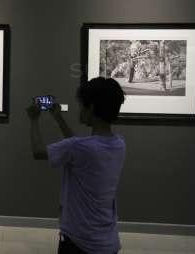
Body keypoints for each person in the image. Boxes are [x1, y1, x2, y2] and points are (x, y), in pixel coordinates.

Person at [27, 77, 126, 254]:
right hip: (107, 240)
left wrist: (34, 119)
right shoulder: (119, 144)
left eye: (81, 105)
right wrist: (58, 117)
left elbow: (38, 151)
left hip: (79, 241)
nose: (79, 110)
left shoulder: (80, 148)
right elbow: (78, 146)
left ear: (92, 108)